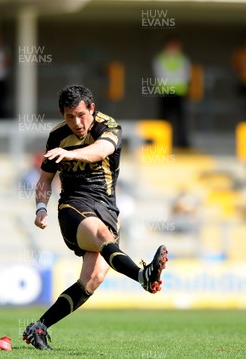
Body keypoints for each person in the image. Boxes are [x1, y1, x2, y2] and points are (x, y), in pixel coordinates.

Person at [23, 85, 168, 350]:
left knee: (93, 278)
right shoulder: (57, 135)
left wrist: (70, 154)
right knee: (102, 236)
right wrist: (41, 208)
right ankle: (142, 276)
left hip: (106, 207)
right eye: (69, 116)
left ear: (91, 108)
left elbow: (100, 151)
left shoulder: (108, 126)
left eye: (81, 114)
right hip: (73, 206)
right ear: (62, 114)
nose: (76, 122)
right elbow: (44, 180)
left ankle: (39, 327)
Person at [153, 36, 191, 148]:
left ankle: (182, 143)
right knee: (163, 119)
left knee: (181, 119)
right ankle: (160, 143)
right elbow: (160, 75)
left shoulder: (183, 59)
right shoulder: (160, 58)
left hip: (179, 93)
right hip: (165, 92)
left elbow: (186, 76)